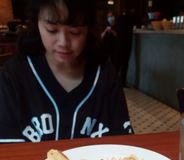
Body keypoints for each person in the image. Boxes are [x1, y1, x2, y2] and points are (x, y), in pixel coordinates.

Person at [0, 0, 133, 143]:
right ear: (36, 23)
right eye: (52, 30)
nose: (63, 42)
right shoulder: (14, 75)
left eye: (75, 32)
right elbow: (7, 151)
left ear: (88, 30)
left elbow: (122, 144)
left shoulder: (105, 76)